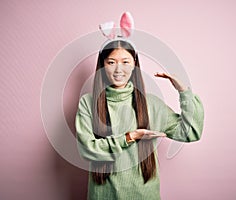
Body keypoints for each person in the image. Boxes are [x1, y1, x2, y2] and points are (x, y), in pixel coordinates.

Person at [75, 38, 204, 200]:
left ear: (134, 64)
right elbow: (87, 149)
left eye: (125, 62)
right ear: (102, 65)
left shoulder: (151, 104)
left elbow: (190, 132)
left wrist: (184, 91)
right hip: (103, 195)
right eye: (111, 62)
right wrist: (129, 137)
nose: (118, 69)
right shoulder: (88, 103)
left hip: (144, 194)